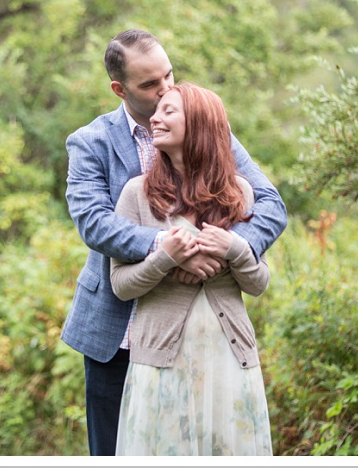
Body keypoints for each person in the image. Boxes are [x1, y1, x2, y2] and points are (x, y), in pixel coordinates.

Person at [60, 29, 286, 456]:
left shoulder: (203, 127)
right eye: (150, 84)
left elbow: (270, 203)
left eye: (168, 75)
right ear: (119, 88)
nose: (166, 88)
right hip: (117, 327)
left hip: (199, 329)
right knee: (115, 450)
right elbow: (94, 224)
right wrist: (169, 246)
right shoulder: (91, 141)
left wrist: (219, 248)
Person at [111, 82, 273, 455]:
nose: (155, 118)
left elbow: (259, 282)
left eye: (169, 111)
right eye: (157, 111)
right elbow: (120, 284)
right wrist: (165, 258)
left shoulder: (241, 192)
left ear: (199, 123)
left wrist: (233, 248)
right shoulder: (136, 194)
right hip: (161, 361)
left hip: (228, 359)